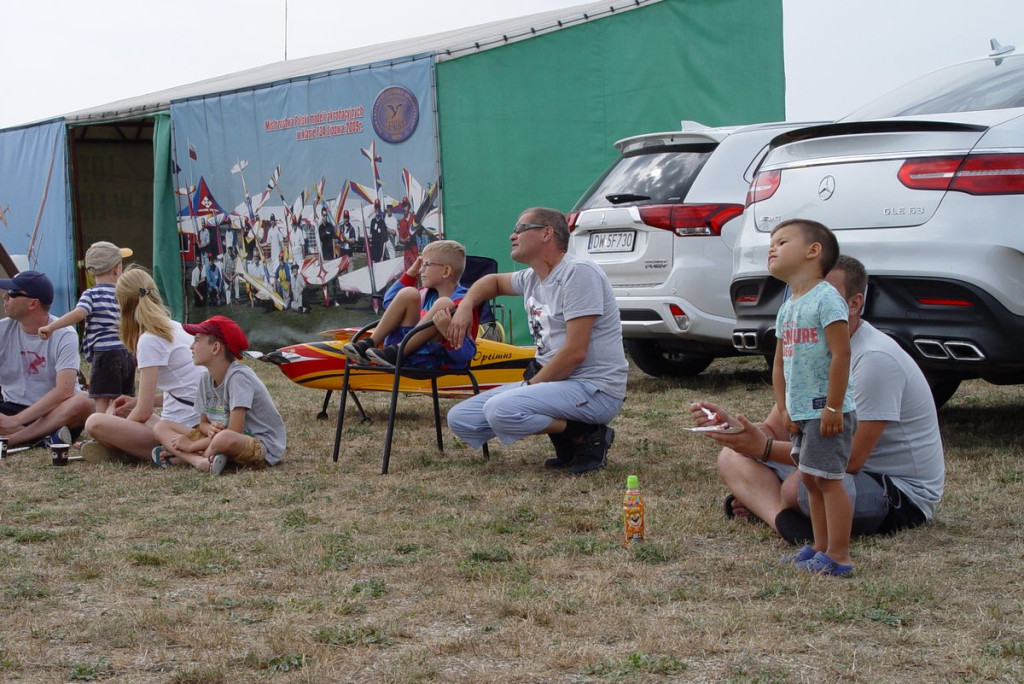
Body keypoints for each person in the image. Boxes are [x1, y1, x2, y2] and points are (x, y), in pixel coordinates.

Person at [692, 254, 944, 546]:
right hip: (832, 467)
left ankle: (767, 503)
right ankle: (783, 522)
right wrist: (738, 432)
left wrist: (763, 449)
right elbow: (776, 430)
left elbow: (850, 460)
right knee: (732, 458)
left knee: (798, 487)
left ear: (854, 304)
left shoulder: (875, 359)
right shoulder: (810, 350)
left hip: (897, 491)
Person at [445, 207, 627, 475]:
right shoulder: (532, 277)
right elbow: (491, 282)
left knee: (500, 410)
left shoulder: (577, 273)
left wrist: (528, 388)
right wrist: (465, 305)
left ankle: (586, 435)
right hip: (555, 382)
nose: (511, 236)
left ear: (546, 233)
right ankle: (571, 436)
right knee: (460, 419)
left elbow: (575, 352)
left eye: (520, 229)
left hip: (594, 388)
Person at [763, 218, 856, 576]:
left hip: (827, 412)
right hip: (802, 414)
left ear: (812, 251)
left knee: (829, 481)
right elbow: (779, 363)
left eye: (782, 241)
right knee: (811, 481)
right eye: (771, 243)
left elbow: (841, 354)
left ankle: (840, 555)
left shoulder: (827, 298)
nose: (772, 248)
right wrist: (784, 407)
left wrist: (833, 406)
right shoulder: (788, 306)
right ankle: (819, 547)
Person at [82, 266, 203, 462]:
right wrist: (134, 403)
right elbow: (186, 392)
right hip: (190, 422)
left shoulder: (149, 339)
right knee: (119, 410)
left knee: (96, 422)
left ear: (122, 305)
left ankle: (157, 453)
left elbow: (144, 412)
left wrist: (119, 432)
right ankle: (128, 449)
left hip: (179, 430)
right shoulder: (173, 327)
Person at [151, 315, 286, 474]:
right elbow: (202, 423)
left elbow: (234, 432)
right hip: (218, 440)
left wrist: (192, 445)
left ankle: (189, 456)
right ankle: (199, 460)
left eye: (196, 340)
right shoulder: (204, 378)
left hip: (258, 444)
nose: (191, 347)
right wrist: (209, 429)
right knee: (161, 426)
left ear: (215, 348)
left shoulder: (239, 378)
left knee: (224, 439)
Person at [341, 240, 477, 369]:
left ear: (446, 271)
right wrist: (410, 274)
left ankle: (398, 351)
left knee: (444, 304)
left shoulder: (464, 305)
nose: (420, 270)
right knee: (408, 293)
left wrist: (447, 331)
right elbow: (389, 303)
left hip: (429, 361)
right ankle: (368, 344)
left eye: (426, 264)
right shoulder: (426, 294)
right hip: (395, 356)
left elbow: (466, 354)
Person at [38, 241, 136, 414]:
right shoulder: (124, 294)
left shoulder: (91, 294)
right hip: (126, 353)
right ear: (117, 268)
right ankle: (123, 431)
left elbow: (79, 314)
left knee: (101, 400)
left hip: (105, 354)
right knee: (124, 401)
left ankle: (100, 431)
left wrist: (51, 327)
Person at [0, 271, 93, 448]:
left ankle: (14, 439)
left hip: (54, 412)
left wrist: (14, 422)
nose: (5, 296)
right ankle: (45, 439)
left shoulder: (64, 333)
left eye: (12, 294)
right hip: (12, 406)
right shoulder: (2, 329)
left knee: (85, 401)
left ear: (33, 303)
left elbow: (64, 391)